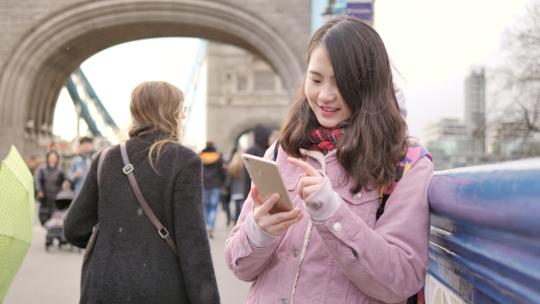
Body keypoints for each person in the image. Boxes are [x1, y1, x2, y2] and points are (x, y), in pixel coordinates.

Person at [225, 16, 433, 304]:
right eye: (316, 79)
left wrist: (331, 212)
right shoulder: (281, 151)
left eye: (341, 83)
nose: (324, 95)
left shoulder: (406, 165)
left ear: (367, 85)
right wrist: (258, 232)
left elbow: (401, 280)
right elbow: (239, 265)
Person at [64, 81, 219, 303]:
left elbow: (73, 228)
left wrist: (114, 240)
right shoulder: (184, 161)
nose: (182, 117)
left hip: (105, 288)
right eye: (181, 111)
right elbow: (193, 246)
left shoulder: (105, 159)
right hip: (161, 289)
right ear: (172, 113)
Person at [199, 142, 226, 238]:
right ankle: (210, 225)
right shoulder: (218, 158)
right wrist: (223, 183)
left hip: (204, 185)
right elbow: (223, 171)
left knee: (205, 206)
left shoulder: (201, 157)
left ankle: (206, 225)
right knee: (213, 207)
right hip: (215, 185)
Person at [35, 150, 65, 226]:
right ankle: (48, 231)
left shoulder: (60, 170)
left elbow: (64, 181)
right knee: (44, 218)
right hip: (45, 198)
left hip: (56, 198)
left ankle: (52, 234)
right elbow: (37, 180)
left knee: (56, 218)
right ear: (47, 158)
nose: (52, 159)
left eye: (54, 157)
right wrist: (39, 190)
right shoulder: (42, 170)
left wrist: (66, 184)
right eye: (51, 157)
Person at [242, 124, 272, 199]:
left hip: (267, 191)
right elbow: (249, 175)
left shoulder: (270, 151)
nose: (272, 139)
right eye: (270, 136)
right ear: (264, 136)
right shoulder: (252, 151)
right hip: (254, 190)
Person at [224, 149, 246, 225]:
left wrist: (227, 188)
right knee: (243, 209)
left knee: (237, 209)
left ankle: (236, 223)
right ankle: (241, 223)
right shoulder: (245, 166)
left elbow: (228, 182)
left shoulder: (231, 167)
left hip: (235, 191)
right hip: (244, 191)